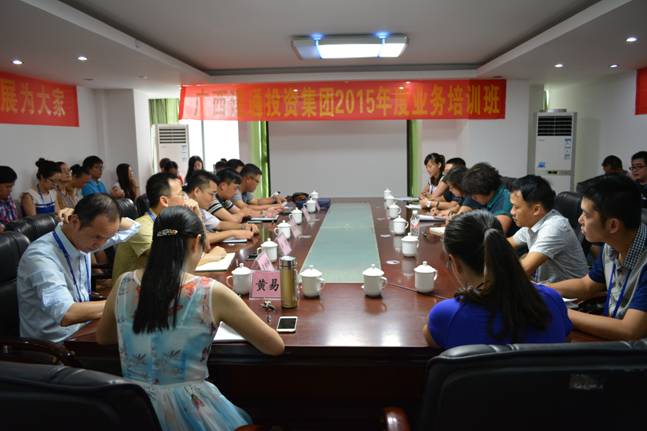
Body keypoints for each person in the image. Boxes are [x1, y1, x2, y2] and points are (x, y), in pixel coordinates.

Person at [97, 206, 284, 430]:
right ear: (196, 242)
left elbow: (104, 337)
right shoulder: (209, 291)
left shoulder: (124, 283)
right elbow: (274, 346)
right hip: (189, 410)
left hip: (134, 408)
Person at [423, 210, 572, 349]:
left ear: (455, 262)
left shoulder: (446, 315)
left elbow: (434, 345)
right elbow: (564, 342)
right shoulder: (552, 299)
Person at [17, 194, 140, 343]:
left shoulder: (84, 239)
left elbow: (133, 227)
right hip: (54, 345)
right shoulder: (41, 257)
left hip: (83, 329)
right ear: (75, 222)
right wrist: (125, 301)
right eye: (97, 237)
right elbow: (66, 313)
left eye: (107, 238)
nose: (101, 245)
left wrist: (84, 214)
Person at [550, 175, 647, 340]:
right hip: (610, 337)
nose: (579, 220)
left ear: (613, 225)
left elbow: (630, 330)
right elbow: (587, 285)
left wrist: (557, 309)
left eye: (586, 214)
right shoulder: (611, 244)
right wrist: (542, 290)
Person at [112, 172, 217, 281]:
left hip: (158, 284)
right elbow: (172, 263)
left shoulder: (172, 223)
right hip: (133, 288)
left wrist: (198, 216)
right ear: (164, 201)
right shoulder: (141, 227)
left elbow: (205, 246)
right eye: (181, 194)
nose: (185, 199)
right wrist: (212, 257)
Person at [508, 175, 588, 283]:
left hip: (567, 292)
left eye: (516, 207)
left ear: (536, 209)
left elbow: (524, 269)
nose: (511, 212)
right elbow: (506, 243)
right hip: (546, 287)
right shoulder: (534, 222)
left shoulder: (554, 227)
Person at [185, 171, 257, 244]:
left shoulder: (199, 206)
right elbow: (204, 238)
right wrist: (233, 233)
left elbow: (219, 224)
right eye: (211, 194)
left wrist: (243, 226)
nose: (213, 199)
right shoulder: (184, 206)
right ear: (197, 191)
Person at [460, 162, 516, 235]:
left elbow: (496, 234)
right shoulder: (484, 196)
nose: (473, 198)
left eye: (474, 195)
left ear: (484, 188)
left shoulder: (505, 198)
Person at [0, 165, 18, 232]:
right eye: (7, 187)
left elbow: (15, 220)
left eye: (12, 186)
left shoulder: (8, 197)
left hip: (14, 234)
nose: (10, 190)